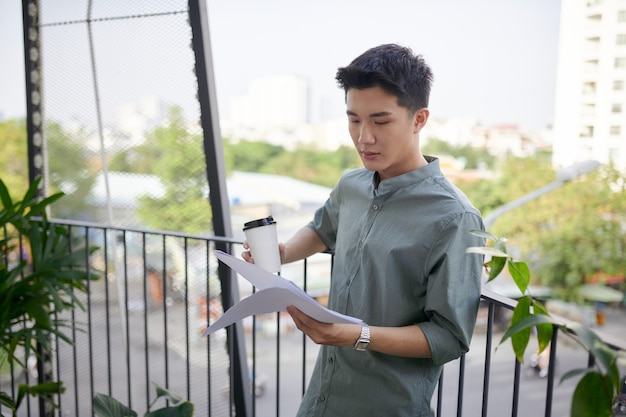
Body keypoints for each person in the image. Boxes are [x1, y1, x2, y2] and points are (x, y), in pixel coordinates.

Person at [243, 43, 485, 417]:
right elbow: (324, 227)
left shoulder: (454, 217)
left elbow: (450, 336)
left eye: (381, 121)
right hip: (321, 397)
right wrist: (283, 252)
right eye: (354, 120)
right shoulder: (352, 184)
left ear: (419, 119)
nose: (364, 137)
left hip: (387, 405)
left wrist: (356, 335)